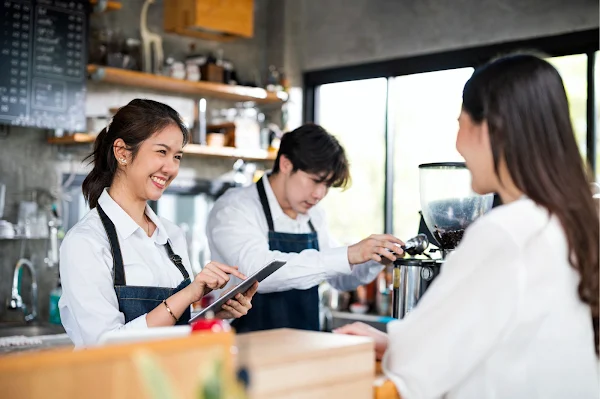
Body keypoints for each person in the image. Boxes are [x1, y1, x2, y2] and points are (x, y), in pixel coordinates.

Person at [334, 54, 599, 398]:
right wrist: (395, 343)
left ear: (489, 130)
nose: (457, 144)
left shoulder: (506, 232)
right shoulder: (570, 221)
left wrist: (397, 348)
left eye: (461, 123)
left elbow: (420, 365)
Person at [59, 99, 258, 347]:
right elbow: (104, 344)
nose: (171, 167)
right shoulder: (85, 242)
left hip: (170, 379)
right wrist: (188, 293)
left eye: (177, 156)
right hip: (115, 383)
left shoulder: (171, 235)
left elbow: (174, 329)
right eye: (162, 152)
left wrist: (217, 313)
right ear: (121, 152)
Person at [206, 123, 404, 333]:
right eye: (315, 180)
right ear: (285, 164)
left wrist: (375, 259)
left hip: (305, 343)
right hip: (244, 347)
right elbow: (257, 274)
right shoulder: (234, 208)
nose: (319, 194)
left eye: (327, 185)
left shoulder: (313, 215)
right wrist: (348, 254)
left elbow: (339, 279)